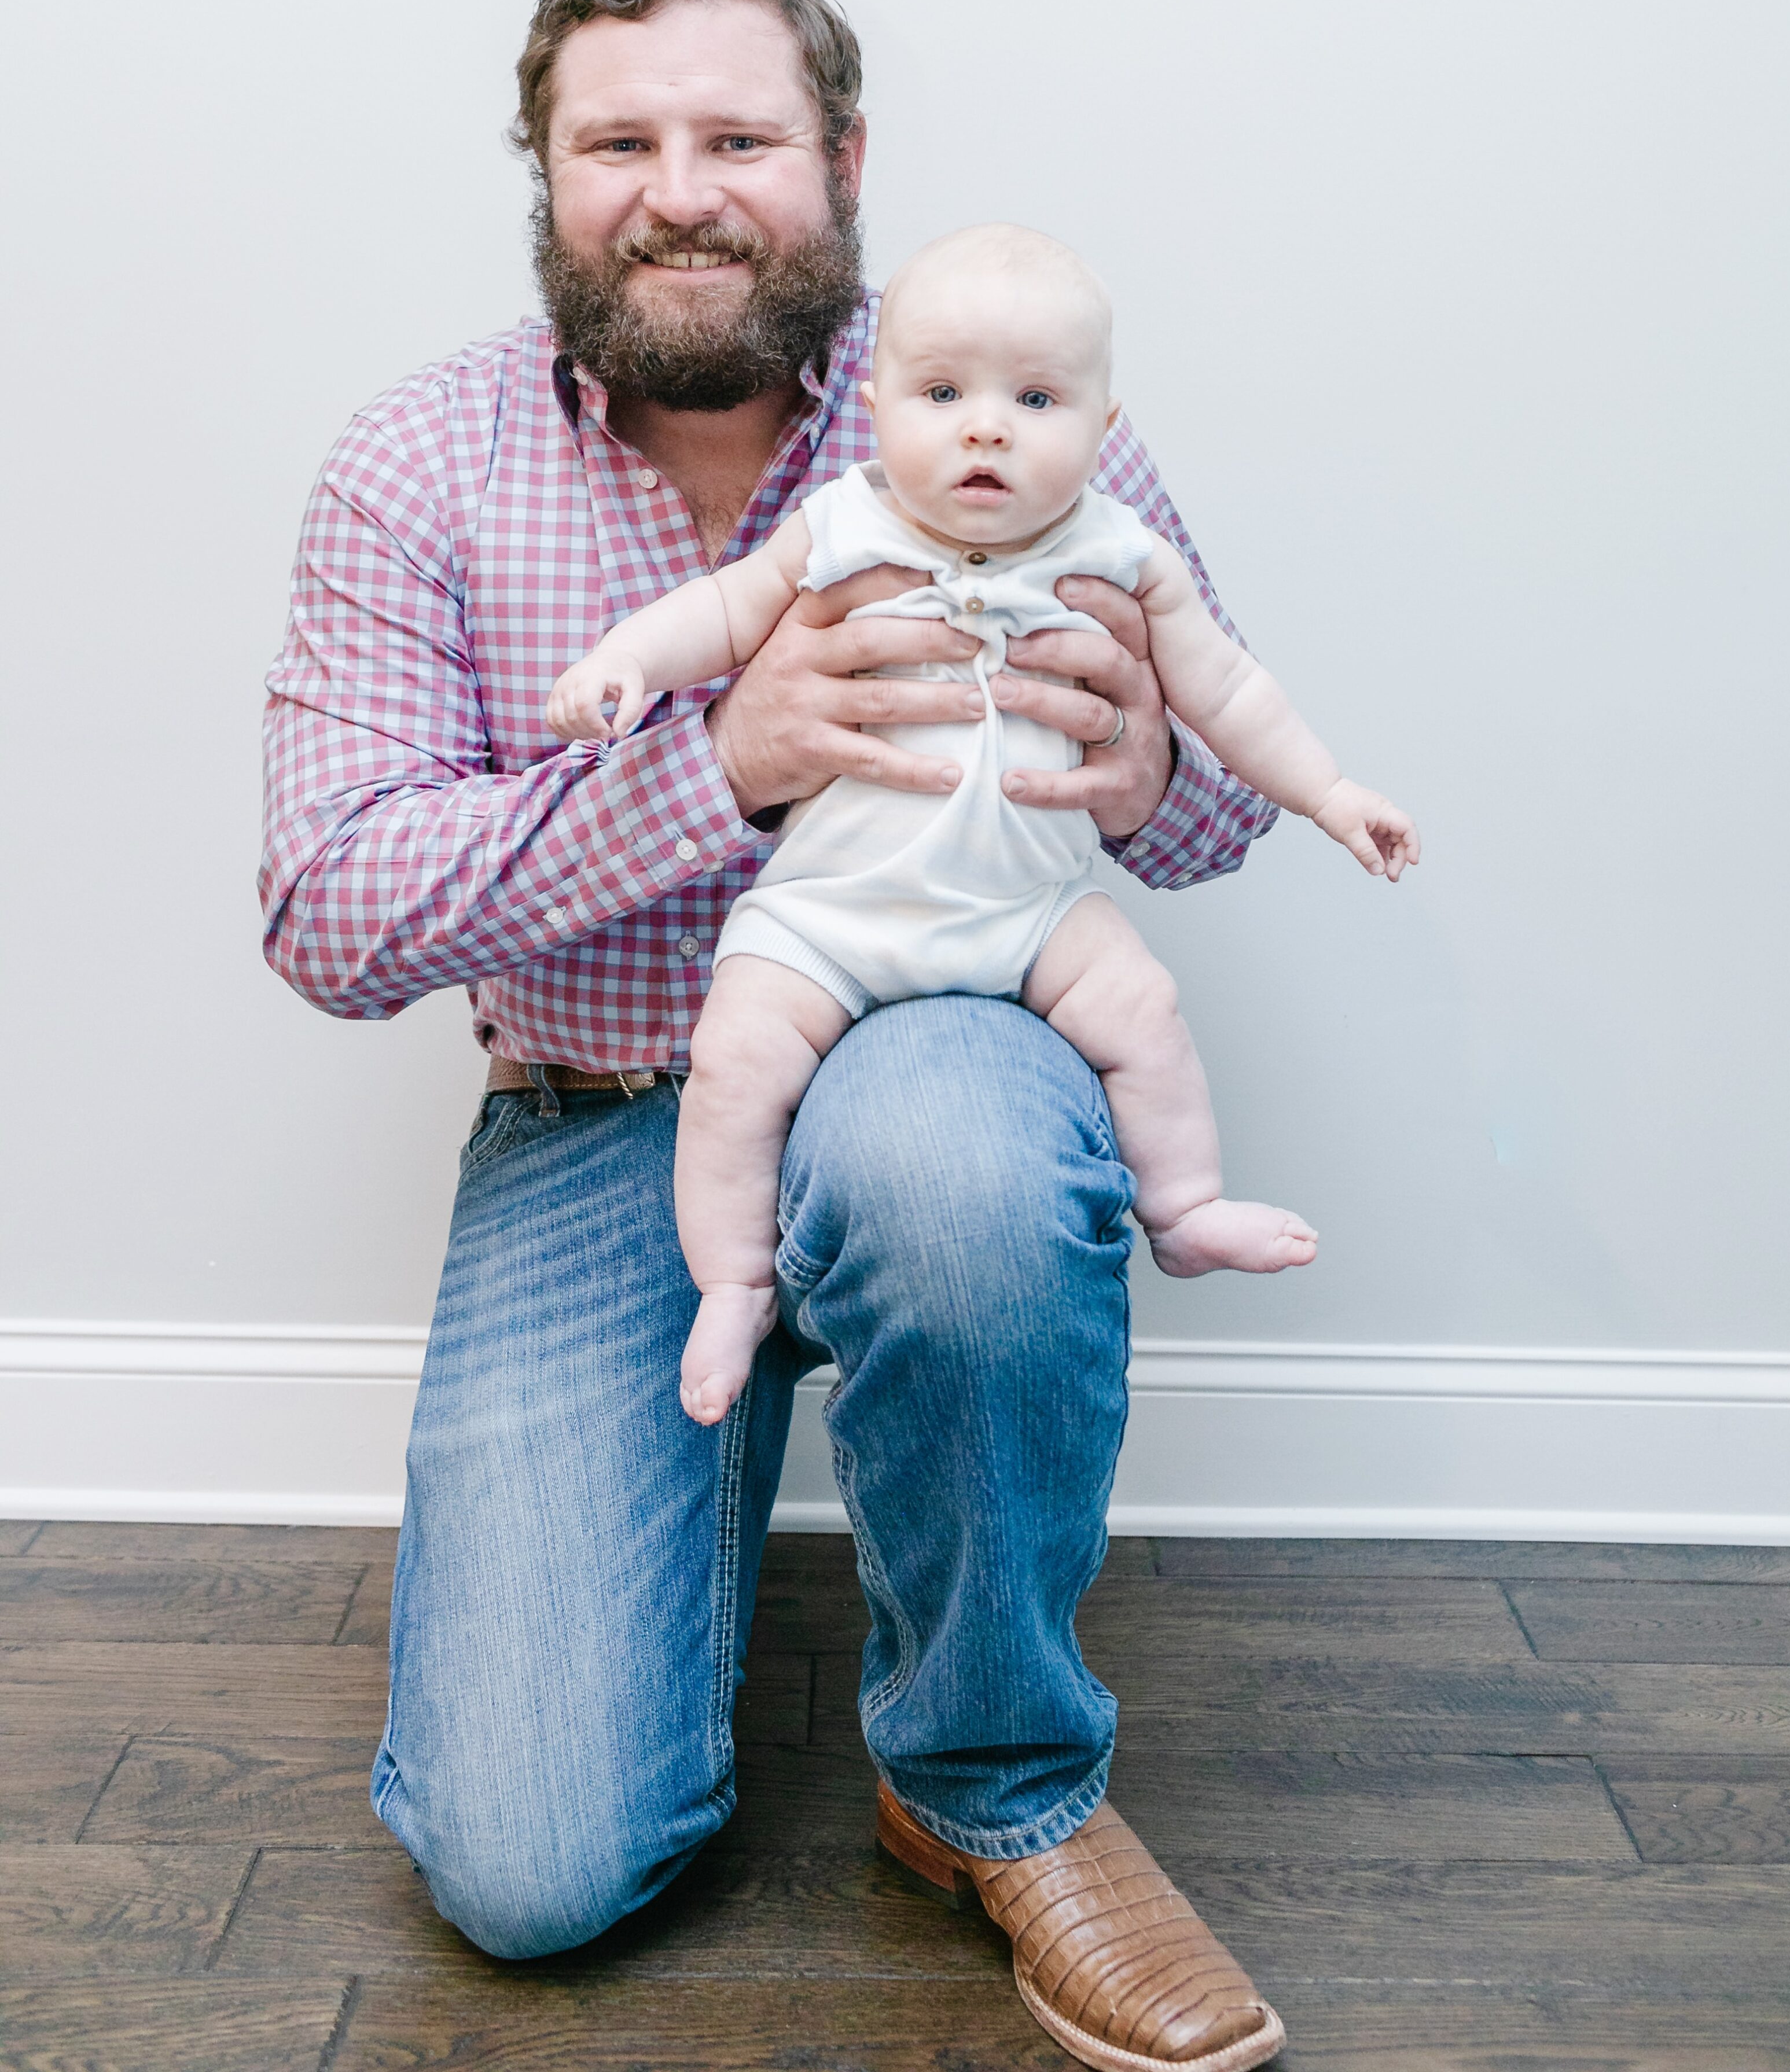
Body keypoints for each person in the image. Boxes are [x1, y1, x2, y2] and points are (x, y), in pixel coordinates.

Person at [262, 0, 1290, 2072]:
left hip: (939, 1057)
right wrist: (716, 763)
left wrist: (1145, 768)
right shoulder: (416, 466)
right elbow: (327, 914)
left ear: (836, 161)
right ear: (543, 180)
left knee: (954, 1150)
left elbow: (1208, 832)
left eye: (736, 137)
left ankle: (997, 1787)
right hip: (599, 1119)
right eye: (612, 143)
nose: (677, 189)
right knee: (531, 1876)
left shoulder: (1009, 408)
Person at [546, 222, 1419, 1428]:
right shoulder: (843, 525)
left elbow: (1230, 694)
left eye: (1036, 397)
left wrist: (1328, 793)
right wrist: (622, 666)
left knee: (1143, 1011)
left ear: (1104, 431)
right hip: (830, 917)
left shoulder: (1117, 552)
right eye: (943, 392)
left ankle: (1182, 1206)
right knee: (734, 1062)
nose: (985, 426)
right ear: (876, 409)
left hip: (1026, 913)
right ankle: (734, 1279)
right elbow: (718, 610)